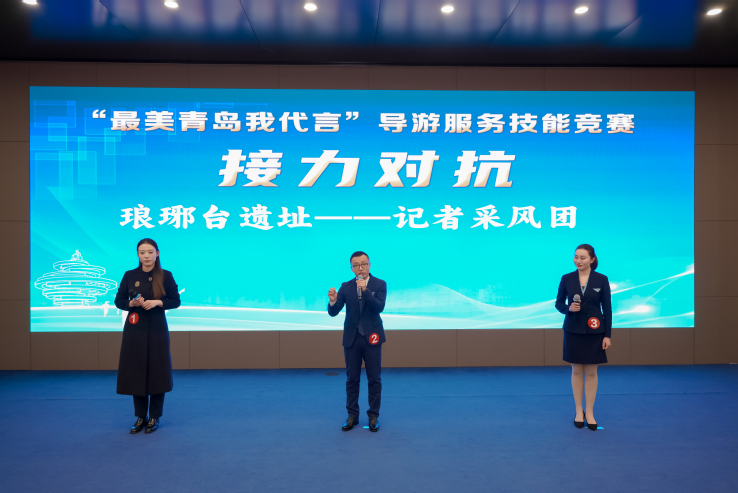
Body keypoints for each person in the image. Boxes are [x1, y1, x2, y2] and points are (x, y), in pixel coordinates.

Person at [114, 239, 181, 434]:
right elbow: (119, 300)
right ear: (137, 254)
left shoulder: (166, 275)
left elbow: (176, 301)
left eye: (150, 252)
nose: (146, 256)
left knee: (157, 372)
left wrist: (157, 302)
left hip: (157, 330)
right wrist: (131, 304)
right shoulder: (130, 275)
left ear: (157, 253)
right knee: (136, 372)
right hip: (135, 330)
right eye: (142, 252)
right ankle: (140, 416)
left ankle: (154, 417)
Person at [328, 251, 387, 432]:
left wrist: (365, 291)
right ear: (351, 268)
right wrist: (332, 302)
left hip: (372, 337)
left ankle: (373, 416)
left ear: (369, 265)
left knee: (374, 379)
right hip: (352, 339)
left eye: (363, 264)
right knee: (352, 379)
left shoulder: (380, 284)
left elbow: (379, 307)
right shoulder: (346, 287)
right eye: (356, 265)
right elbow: (334, 312)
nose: (360, 268)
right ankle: (352, 415)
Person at [555, 244, 612, 431]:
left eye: (582, 258)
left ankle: (590, 412)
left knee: (592, 372)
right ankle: (579, 411)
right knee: (577, 371)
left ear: (592, 259)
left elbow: (607, 309)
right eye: (576, 257)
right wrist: (569, 308)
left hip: (595, 332)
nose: (578, 261)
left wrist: (607, 335)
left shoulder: (601, 279)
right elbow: (558, 303)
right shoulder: (567, 278)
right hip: (573, 330)